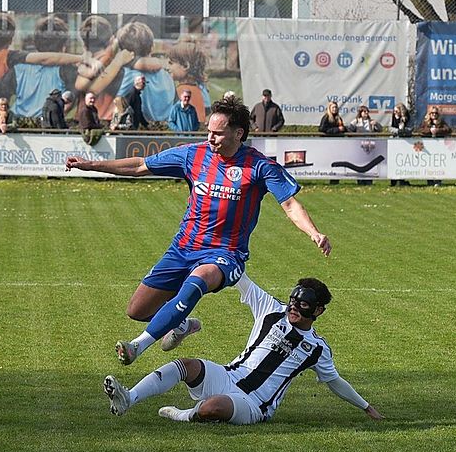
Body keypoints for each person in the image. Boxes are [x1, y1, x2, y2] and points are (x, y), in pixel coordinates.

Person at [66, 95, 331, 366]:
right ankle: (180, 325)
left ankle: (137, 345)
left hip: (226, 254)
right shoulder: (194, 154)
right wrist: (90, 165)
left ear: (238, 133)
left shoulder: (259, 166)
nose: (210, 138)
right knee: (137, 309)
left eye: (217, 133)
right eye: (208, 132)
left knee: (199, 279)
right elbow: (140, 166)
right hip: (184, 247)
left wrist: (314, 232)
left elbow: (289, 204)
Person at [102, 271, 384, 425]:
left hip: (254, 404)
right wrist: (225, 251)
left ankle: (183, 414)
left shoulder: (316, 348)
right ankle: (130, 398)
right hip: (228, 375)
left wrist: (366, 406)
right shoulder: (271, 309)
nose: (294, 308)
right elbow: (240, 278)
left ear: (319, 310)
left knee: (213, 407)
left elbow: (334, 381)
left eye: (304, 305)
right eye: (293, 301)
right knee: (187, 365)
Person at [166, 40, 211, 123]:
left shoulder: (184, 90)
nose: (167, 67)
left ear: (185, 66)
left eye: (171, 63)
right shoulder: (200, 88)